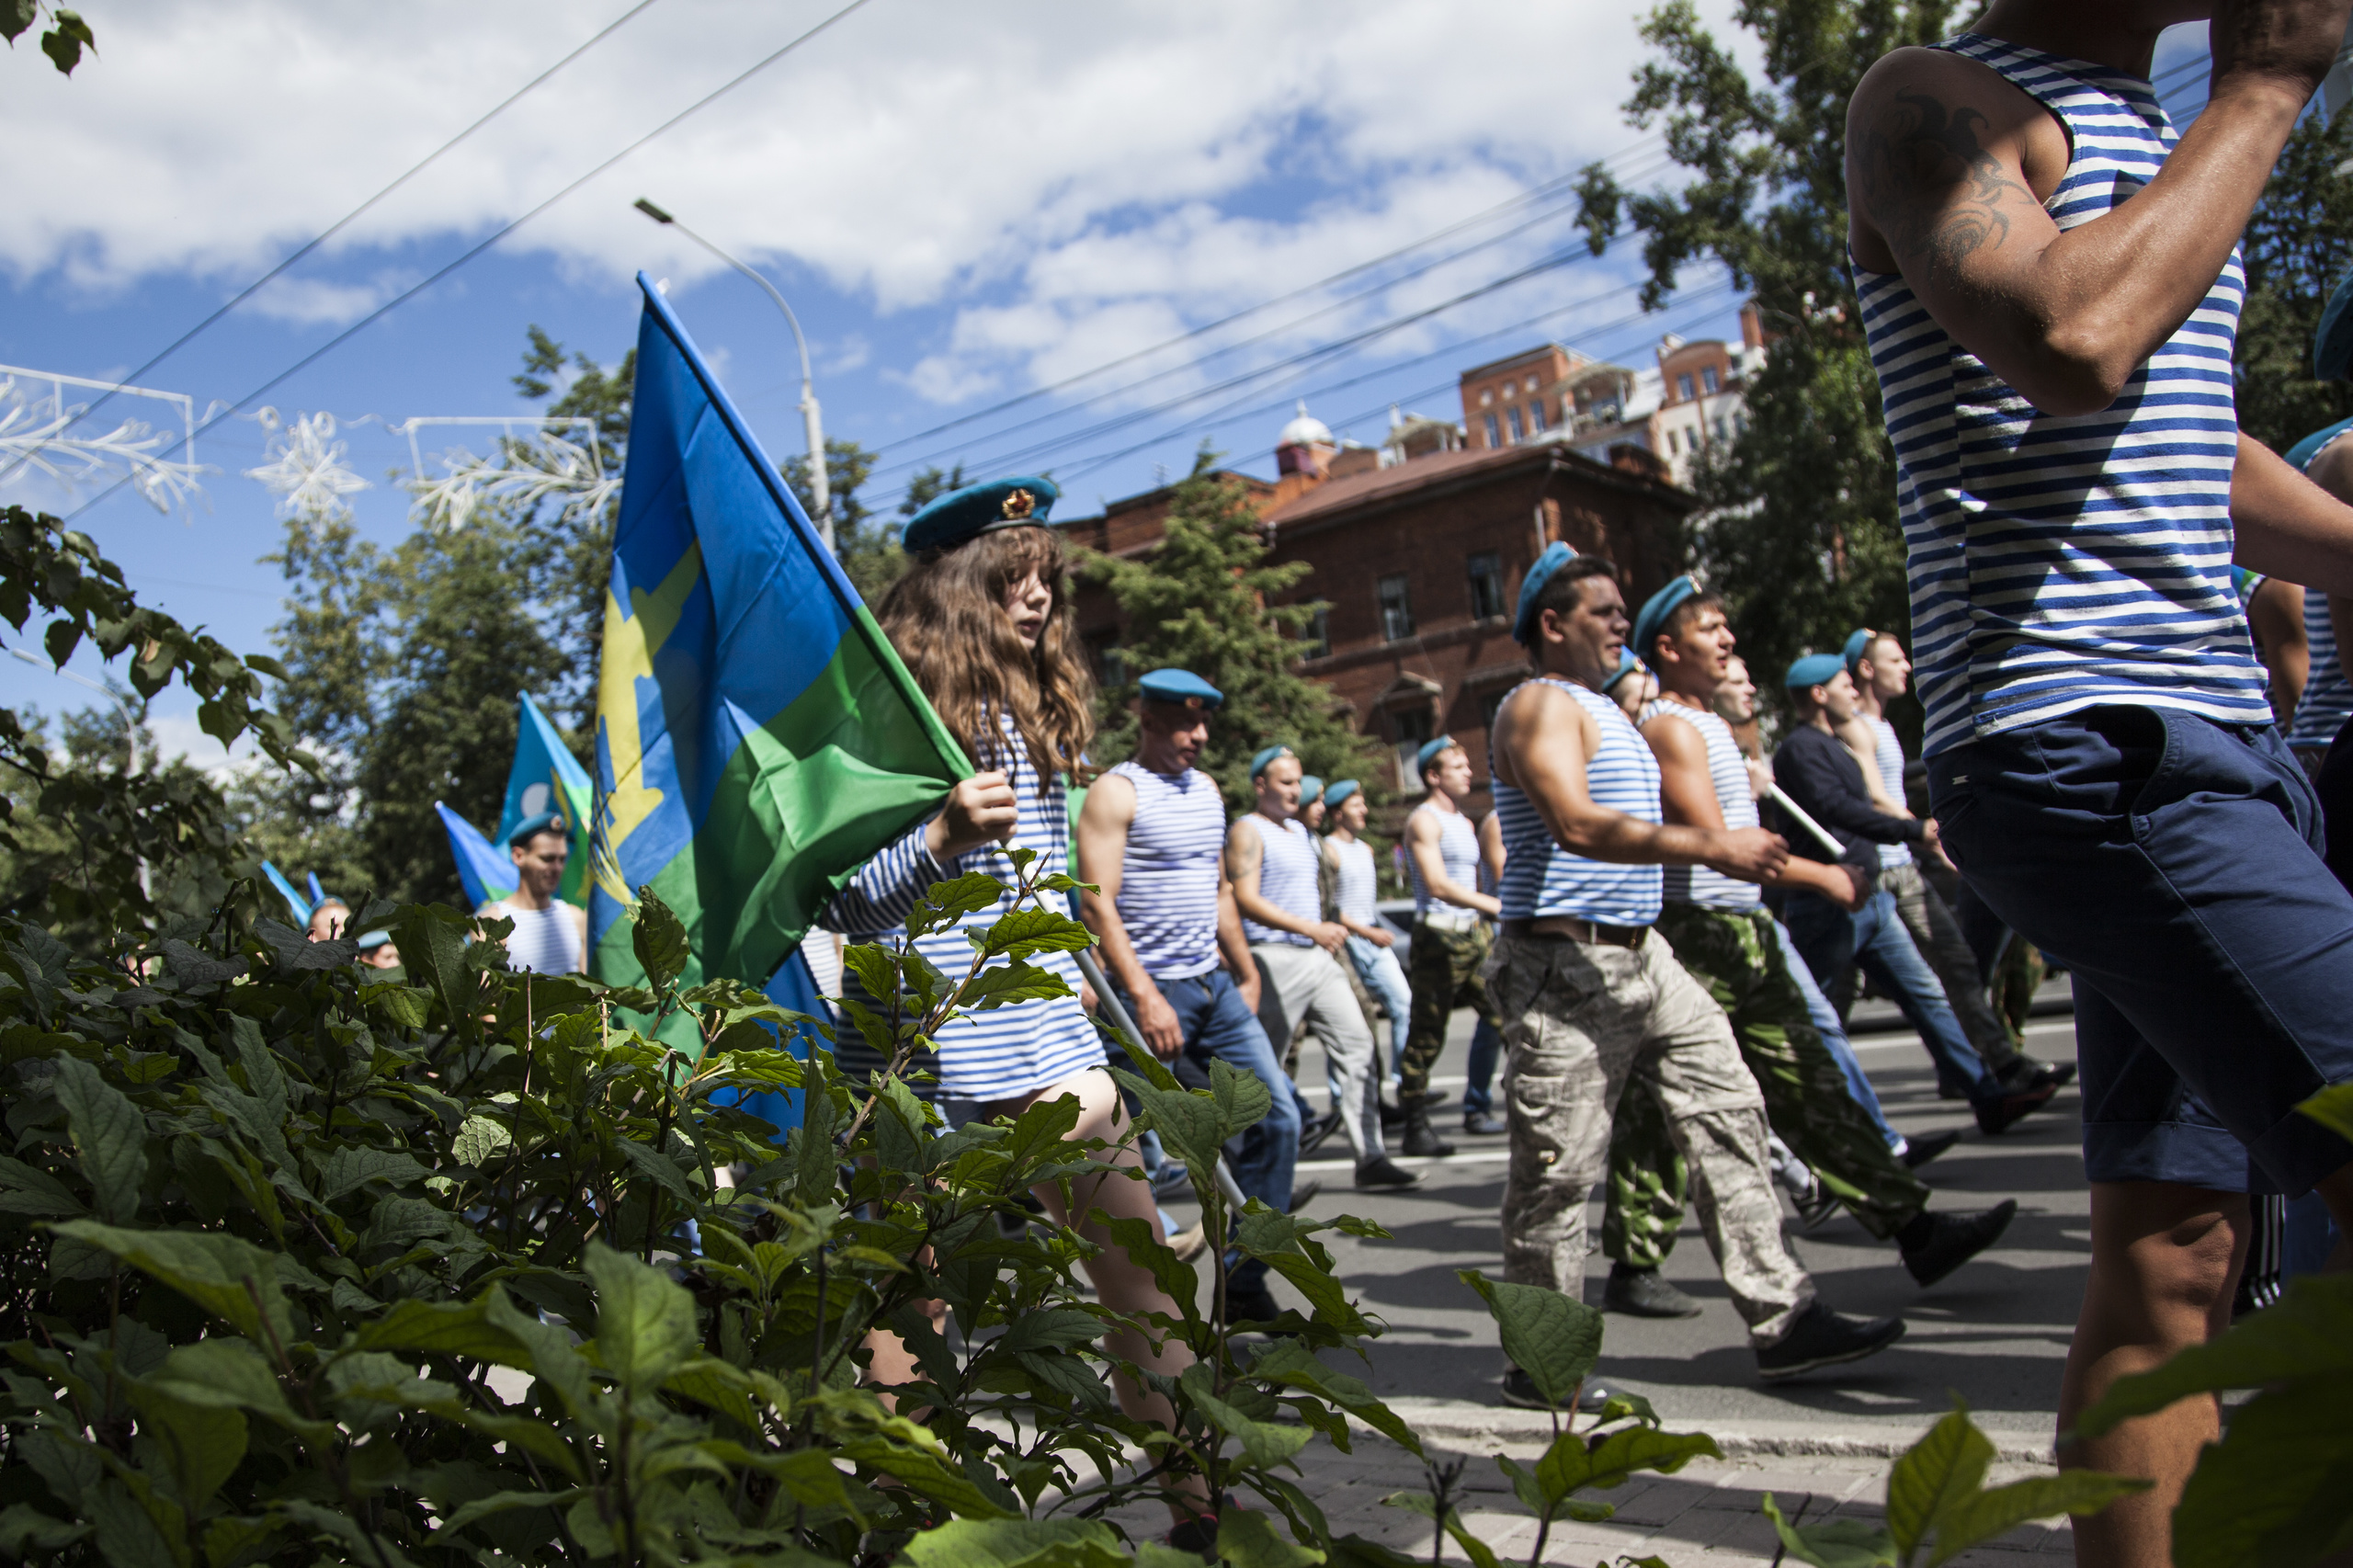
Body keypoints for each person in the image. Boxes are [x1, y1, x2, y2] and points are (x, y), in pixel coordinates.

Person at [1847, 11, 2353, 1557]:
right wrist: (2268, 85)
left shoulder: (2149, 137)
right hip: (2098, 746)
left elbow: (2185, 439)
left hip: (2207, 751)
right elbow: (2075, 337)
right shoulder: (1929, 102)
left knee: (2175, 1258)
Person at [815, 475, 1206, 1530]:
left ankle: (1204, 1508)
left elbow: (1039, 885)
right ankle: (901, 1529)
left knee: (1148, 1288)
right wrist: (937, 838)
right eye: (1012, 577)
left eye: (1047, 578)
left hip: (1048, 1047)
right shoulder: (886, 720)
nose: (1037, 597)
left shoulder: (1043, 713)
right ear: (957, 586)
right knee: (909, 1317)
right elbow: (841, 903)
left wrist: (1073, 962)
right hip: (915, 1058)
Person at [1488, 543, 1905, 1395]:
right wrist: (1716, 843)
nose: (1619, 625)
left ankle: (1785, 1319)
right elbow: (1575, 824)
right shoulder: (1536, 705)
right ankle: (1543, 1361)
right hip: (1560, 964)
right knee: (1559, 1172)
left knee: (1728, 1114)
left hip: (1647, 956)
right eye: (1603, 612)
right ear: (1552, 622)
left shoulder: (1609, 713)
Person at [1598, 577, 2010, 1320]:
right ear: (1668, 647)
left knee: (1812, 1079)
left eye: (1727, 628)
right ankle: (1634, 1260)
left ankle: (1914, 1229)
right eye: (1711, 631)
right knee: (1666, 1106)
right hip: (1700, 936)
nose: (1728, 641)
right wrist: (1824, 875)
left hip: (1744, 930)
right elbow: (1716, 846)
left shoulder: (1707, 724)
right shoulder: (1668, 728)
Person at [1074, 666, 1304, 1322]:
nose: (1199, 735)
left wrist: (1245, 969)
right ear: (1146, 719)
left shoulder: (1206, 790)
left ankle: (1242, 1282)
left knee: (1278, 1118)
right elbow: (1098, 907)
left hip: (1214, 986)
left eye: (1204, 722)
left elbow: (1219, 890)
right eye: (1184, 721)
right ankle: (1143, 1312)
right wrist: (1144, 995)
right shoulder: (1116, 793)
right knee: (1131, 1154)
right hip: (1149, 993)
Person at [1773, 659, 2056, 1135]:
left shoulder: (1832, 744)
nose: (1852, 693)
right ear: (1820, 695)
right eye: (1844, 686)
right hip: (1829, 903)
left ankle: (1988, 1095)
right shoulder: (1800, 750)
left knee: (1926, 993)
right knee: (1817, 1019)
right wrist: (1911, 828)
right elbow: (1836, 809)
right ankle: (1822, 1128)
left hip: (1870, 898)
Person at [1840, 629, 2069, 1097]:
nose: (1905, 665)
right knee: (1912, 981)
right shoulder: (1855, 725)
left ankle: (1986, 1068)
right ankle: (1981, 1069)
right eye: (1894, 658)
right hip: (1881, 871)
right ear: (1867, 668)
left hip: (1900, 864)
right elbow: (1876, 798)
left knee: (1954, 968)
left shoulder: (1881, 725)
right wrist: (1930, 838)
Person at [1227, 745, 1419, 1192]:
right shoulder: (1248, 831)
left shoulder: (1299, 832)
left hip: (1317, 957)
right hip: (1274, 958)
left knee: (1360, 1047)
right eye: (1286, 782)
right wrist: (1312, 928)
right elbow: (1245, 899)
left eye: (1298, 781)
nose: (1296, 790)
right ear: (1261, 786)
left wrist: (1320, 931)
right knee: (1262, 1072)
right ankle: (1254, 1178)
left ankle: (1370, 1157)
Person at [1398, 736, 1504, 1157]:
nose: (1468, 772)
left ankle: (1492, 1106)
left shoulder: (1464, 820)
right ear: (1432, 776)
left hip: (1473, 933)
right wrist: (1495, 904)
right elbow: (1439, 884)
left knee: (1503, 1013)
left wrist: (1483, 915)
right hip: (1439, 938)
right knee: (1428, 1032)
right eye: (1457, 767)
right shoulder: (1424, 820)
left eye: (1467, 766)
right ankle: (1415, 1125)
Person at [1321, 778, 1414, 1097]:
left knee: (1403, 1003)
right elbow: (1330, 907)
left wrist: (1372, 931)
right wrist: (1365, 931)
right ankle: (1341, 1096)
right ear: (1337, 814)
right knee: (1349, 1021)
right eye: (1356, 805)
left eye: (1363, 803)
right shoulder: (1329, 850)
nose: (1364, 810)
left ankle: (1405, 1083)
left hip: (1374, 939)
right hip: (1349, 941)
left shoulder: (1365, 848)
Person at [481, 812, 588, 975]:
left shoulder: (575, 918)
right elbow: (489, 998)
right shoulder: (492, 922)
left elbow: (589, 992)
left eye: (562, 859)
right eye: (547, 859)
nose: (557, 868)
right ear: (518, 856)